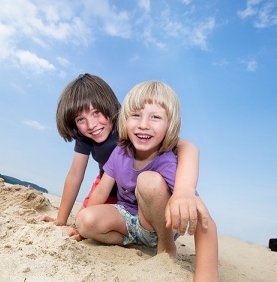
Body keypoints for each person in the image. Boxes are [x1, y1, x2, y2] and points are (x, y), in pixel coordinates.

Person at [67, 81, 219, 282]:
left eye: (155, 117)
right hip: (129, 221)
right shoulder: (120, 151)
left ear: (170, 125)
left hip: (157, 225)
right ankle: (133, 243)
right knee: (85, 220)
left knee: (148, 181)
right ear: (124, 119)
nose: (143, 124)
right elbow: (101, 191)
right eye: (136, 115)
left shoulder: (167, 161)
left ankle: (166, 248)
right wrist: (79, 229)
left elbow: (204, 221)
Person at [41, 73, 209, 237]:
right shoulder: (85, 137)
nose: (91, 125)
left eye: (96, 112)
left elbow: (187, 147)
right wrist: (61, 220)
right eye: (80, 119)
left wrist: (184, 190)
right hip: (106, 184)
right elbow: (75, 175)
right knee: (84, 221)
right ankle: (130, 239)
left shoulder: (131, 125)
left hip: (141, 188)